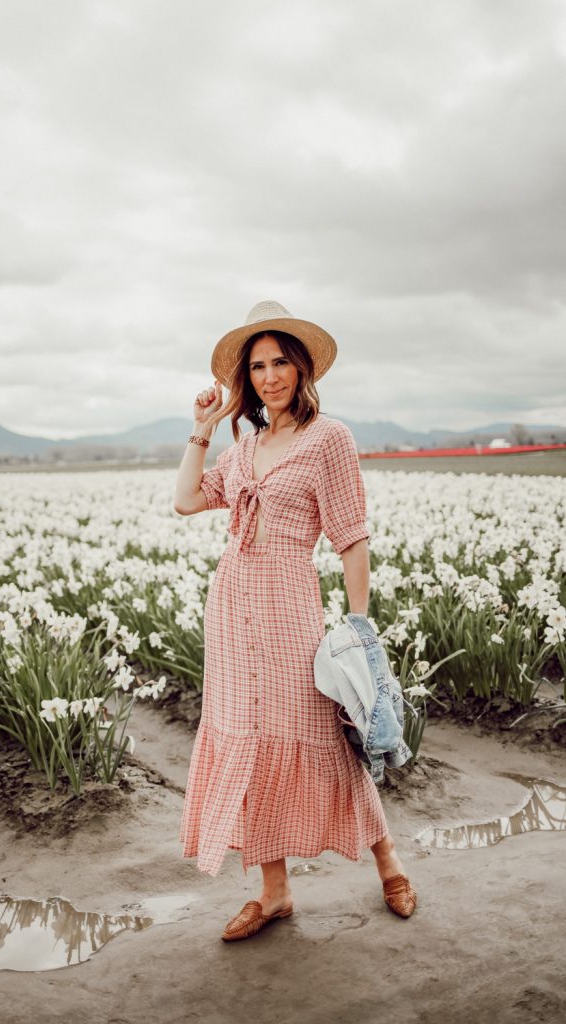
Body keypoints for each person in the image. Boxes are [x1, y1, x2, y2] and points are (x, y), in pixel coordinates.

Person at [173, 300, 417, 941]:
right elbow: (186, 501)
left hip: (289, 605)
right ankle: (274, 891)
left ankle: (387, 860)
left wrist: (360, 630)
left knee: (327, 738)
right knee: (247, 745)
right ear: (244, 379)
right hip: (231, 612)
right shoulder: (245, 443)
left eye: (281, 361)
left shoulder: (329, 438)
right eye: (257, 366)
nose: (270, 375)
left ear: (302, 368)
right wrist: (203, 427)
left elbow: (351, 538)